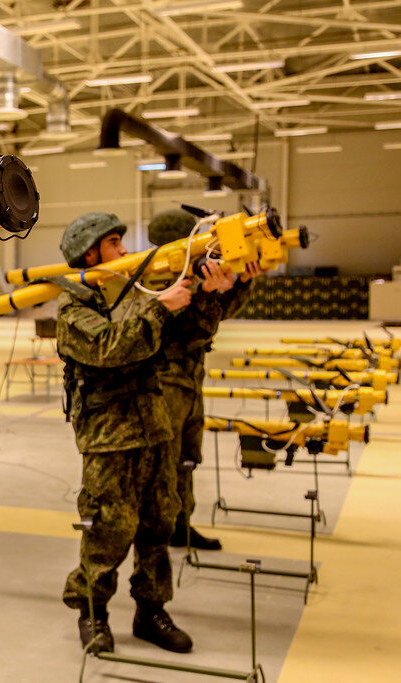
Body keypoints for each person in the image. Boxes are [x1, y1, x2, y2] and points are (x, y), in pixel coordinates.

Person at [56, 211, 199, 655]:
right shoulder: (73, 309)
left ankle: (150, 611)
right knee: (108, 529)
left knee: (159, 522)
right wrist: (159, 306)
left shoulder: (135, 295)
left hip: (154, 426)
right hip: (108, 437)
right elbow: (110, 346)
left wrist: (208, 293)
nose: (124, 250)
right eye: (115, 243)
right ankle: (93, 615)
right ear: (91, 253)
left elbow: (187, 335)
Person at [147, 209, 262, 551]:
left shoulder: (187, 273)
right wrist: (210, 291)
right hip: (165, 383)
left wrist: (241, 283)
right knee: (164, 464)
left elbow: (215, 315)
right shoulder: (157, 279)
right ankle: (161, 529)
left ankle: (182, 524)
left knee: (185, 459)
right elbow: (191, 326)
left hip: (188, 381)